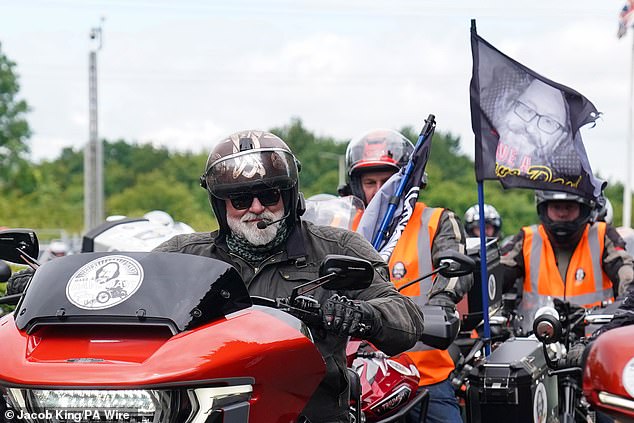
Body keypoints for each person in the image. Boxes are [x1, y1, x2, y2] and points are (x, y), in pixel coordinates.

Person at [152, 130, 424, 423]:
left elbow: (406, 318)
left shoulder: (338, 247)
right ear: (221, 205)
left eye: (269, 195)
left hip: (310, 413)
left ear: (289, 194)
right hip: (204, 412)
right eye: (241, 199)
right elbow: (128, 291)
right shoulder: (184, 255)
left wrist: (362, 315)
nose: (256, 208)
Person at [341, 129, 472, 423]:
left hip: (424, 371)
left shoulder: (436, 220)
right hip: (358, 376)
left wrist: (441, 305)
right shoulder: (343, 229)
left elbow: (455, 275)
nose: (378, 190)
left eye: (387, 181)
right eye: (369, 182)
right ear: (357, 186)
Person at [501, 189, 634, 335]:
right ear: (544, 208)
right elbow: (498, 275)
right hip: (535, 338)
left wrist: (628, 299)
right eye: (556, 207)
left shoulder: (602, 235)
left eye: (569, 207)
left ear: (583, 208)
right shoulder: (527, 239)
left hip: (594, 341)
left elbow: (626, 271)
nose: (562, 213)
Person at [489, 76, 579, 179]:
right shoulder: (478, 164)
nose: (530, 128)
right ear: (508, 106)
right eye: (527, 109)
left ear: (560, 139)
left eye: (548, 122)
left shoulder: (553, 186)